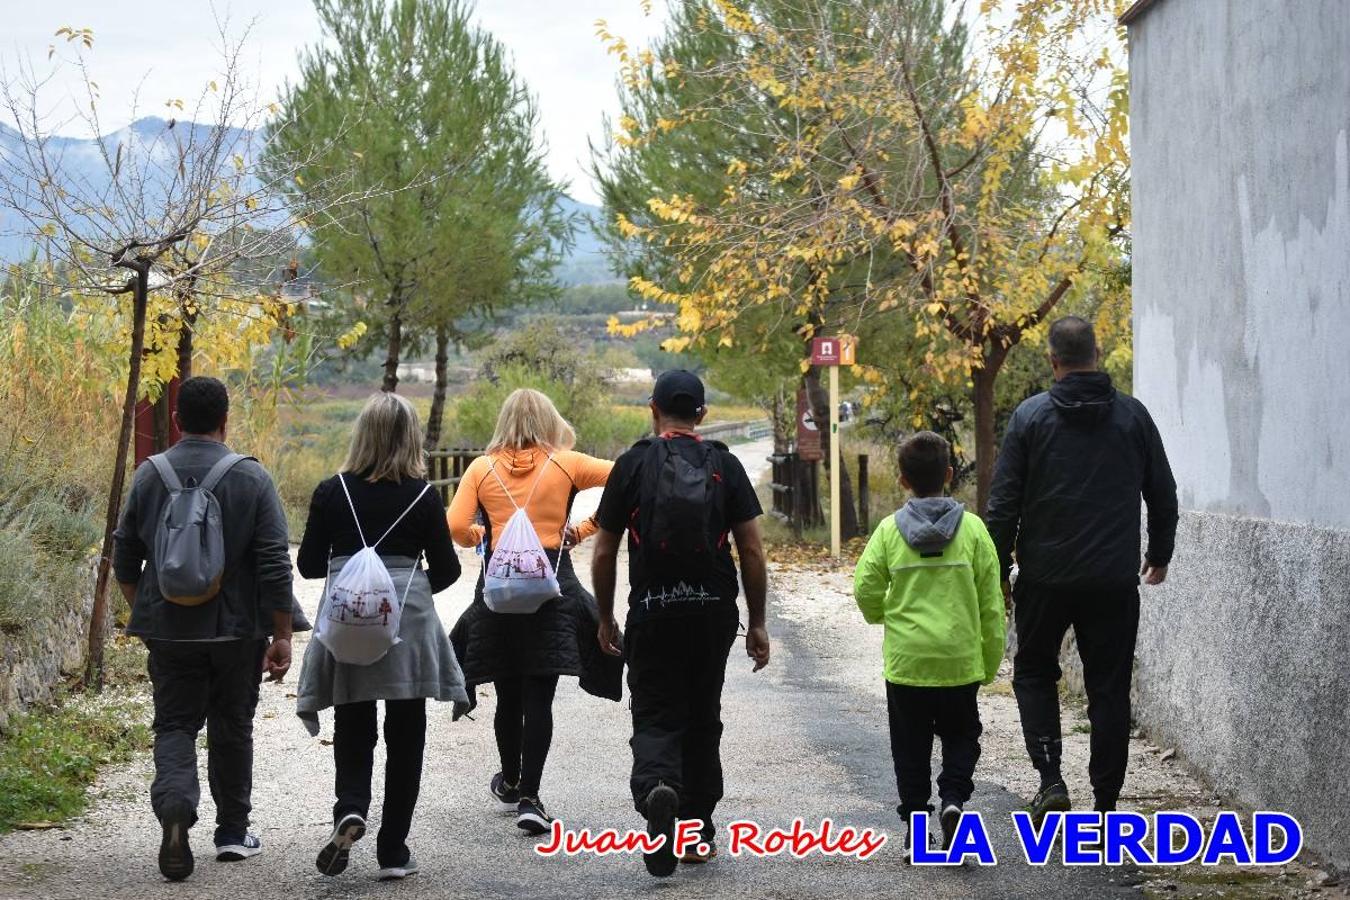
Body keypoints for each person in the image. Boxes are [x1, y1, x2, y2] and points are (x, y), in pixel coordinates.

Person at [985, 315, 1178, 822]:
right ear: (1098, 354)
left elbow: (1003, 505)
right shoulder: (1133, 417)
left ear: (1053, 361)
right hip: (1114, 580)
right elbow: (1162, 492)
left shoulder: (1030, 418)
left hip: (1045, 577)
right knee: (1109, 687)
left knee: (1032, 673)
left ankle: (1050, 778)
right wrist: (1159, 554)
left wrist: (995, 567)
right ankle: (1108, 802)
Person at [591, 369, 771, 878]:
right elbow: (752, 551)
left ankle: (656, 790)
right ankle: (694, 831)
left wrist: (605, 616)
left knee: (654, 713)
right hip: (712, 611)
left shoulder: (632, 464)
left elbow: (604, 551)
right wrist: (757, 623)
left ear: (653, 409)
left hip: (652, 611)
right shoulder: (725, 464)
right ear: (703, 415)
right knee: (702, 713)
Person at [113, 376, 293, 881]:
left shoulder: (150, 475)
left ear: (176, 421)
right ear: (225, 420)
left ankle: (175, 806)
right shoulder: (251, 478)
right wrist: (281, 634)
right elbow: (275, 563)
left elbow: (125, 557)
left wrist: (148, 612)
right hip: (237, 633)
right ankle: (233, 833)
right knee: (232, 726)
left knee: (174, 724)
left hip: (169, 632)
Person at [295, 392, 466, 882]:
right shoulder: (423, 495)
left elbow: (308, 566)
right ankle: (393, 850)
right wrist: (404, 592)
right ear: (410, 437)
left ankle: (350, 808)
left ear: (361, 434)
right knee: (407, 731)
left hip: (349, 618)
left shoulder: (332, 490)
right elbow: (449, 569)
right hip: (405, 622)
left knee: (354, 720)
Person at [447, 388, 619, 835]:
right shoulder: (566, 463)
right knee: (539, 694)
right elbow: (627, 477)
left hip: (500, 588)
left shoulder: (481, 469)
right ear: (549, 421)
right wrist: (584, 529)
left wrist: (482, 536)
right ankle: (530, 797)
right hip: (552, 585)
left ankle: (509, 780)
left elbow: (454, 526)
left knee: (507, 691)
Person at [852, 431, 1004, 858]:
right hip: (958, 661)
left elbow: (864, 588)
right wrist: (989, 661)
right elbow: (992, 604)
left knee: (910, 747)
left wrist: (884, 616)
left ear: (902, 480)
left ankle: (916, 830)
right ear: (950, 475)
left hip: (908, 663)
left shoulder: (887, 533)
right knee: (962, 735)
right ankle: (954, 799)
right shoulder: (973, 531)